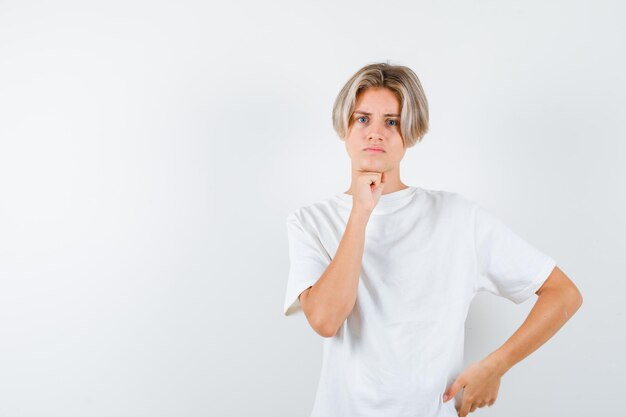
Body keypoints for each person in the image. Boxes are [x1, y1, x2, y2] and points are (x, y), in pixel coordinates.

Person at [282, 62, 583, 417]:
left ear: (409, 132)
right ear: (344, 127)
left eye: (391, 122)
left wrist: (496, 365)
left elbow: (563, 293)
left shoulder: (457, 217)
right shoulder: (310, 221)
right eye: (362, 119)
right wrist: (361, 212)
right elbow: (326, 321)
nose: (375, 133)